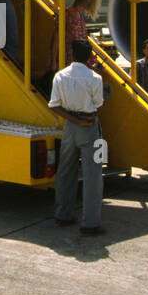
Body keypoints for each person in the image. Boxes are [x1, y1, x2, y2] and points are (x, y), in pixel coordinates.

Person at [48, 39, 106, 236]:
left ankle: (62, 214)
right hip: (90, 126)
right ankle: (90, 223)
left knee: (65, 171)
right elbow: (98, 104)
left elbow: (54, 105)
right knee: (93, 175)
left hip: (69, 127)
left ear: (72, 54)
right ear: (90, 57)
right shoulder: (95, 78)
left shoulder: (60, 76)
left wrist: (74, 120)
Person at [63, 0, 100, 69]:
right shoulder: (67, 14)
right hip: (73, 54)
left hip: (79, 53)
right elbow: (56, 37)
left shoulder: (78, 14)